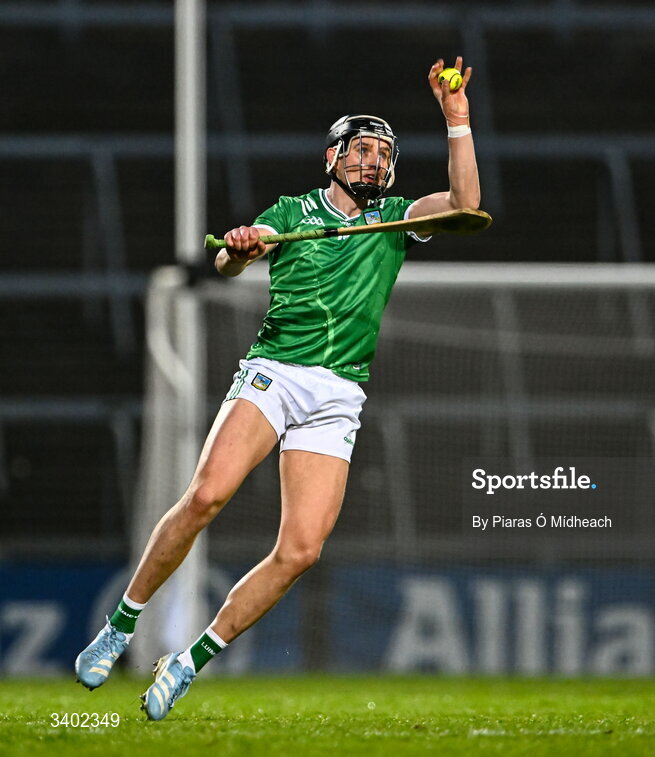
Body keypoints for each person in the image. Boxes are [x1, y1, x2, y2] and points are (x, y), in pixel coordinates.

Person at [74, 57, 480, 720]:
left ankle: (187, 660)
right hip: (276, 373)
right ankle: (121, 626)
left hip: (339, 394)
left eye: (383, 153)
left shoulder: (398, 220)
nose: (374, 161)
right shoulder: (292, 211)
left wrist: (456, 120)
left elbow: (467, 205)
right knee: (206, 495)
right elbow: (234, 256)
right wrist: (240, 246)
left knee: (300, 550)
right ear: (334, 158)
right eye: (362, 150)